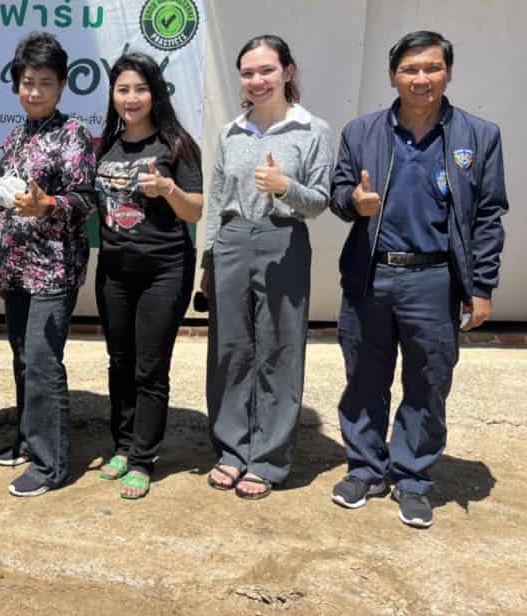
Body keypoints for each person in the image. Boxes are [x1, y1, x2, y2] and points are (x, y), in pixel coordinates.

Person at [329, 30, 507, 529]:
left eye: (432, 68)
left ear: (448, 73)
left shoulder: (479, 136)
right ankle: (365, 469)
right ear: (393, 77)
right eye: (410, 69)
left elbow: (489, 215)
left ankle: (412, 477)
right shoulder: (362, 132)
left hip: (434, 278)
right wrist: (354, 202)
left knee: (428, 382)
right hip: (371, 274)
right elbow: (338, 192)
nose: (421, 78)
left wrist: (482, 286)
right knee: (364, 377)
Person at [201, 35, 332, 500]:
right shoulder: (231, 133)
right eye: (248, 72)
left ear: (287, 72)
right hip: (233, 240)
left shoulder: (312, 129)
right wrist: (209, 258)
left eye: (267, 70)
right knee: (229, 349)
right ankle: (232, 449)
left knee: (280, 349)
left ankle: (269, 458)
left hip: (283, 239)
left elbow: (320, 200)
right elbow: (217, 200)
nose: (257, 80)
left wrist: (284, 186)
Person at [94, 52, 204, 500]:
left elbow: (195, 210)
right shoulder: (106, 145)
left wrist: (169, 189)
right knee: (119, 362)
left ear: (155, 93)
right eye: (123, 89)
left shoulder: (177, 146)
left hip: (164, 270)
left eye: (140, 89)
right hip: (114, 272)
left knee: (150, 368)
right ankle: (122, 445)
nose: (131, 98)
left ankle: (143, 457)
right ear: (113, 95)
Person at [0, 32, 96, 498]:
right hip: (16, 268)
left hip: (54, 269)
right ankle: (26, 438)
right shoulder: (16, 136)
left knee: (41, 360)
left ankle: (50, 464)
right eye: (27, 82)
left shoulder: (72, 133)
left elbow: (86, 198)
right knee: (22, 357)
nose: (34, 92)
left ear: (62, 86)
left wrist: (48, 204)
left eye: (45, 83)